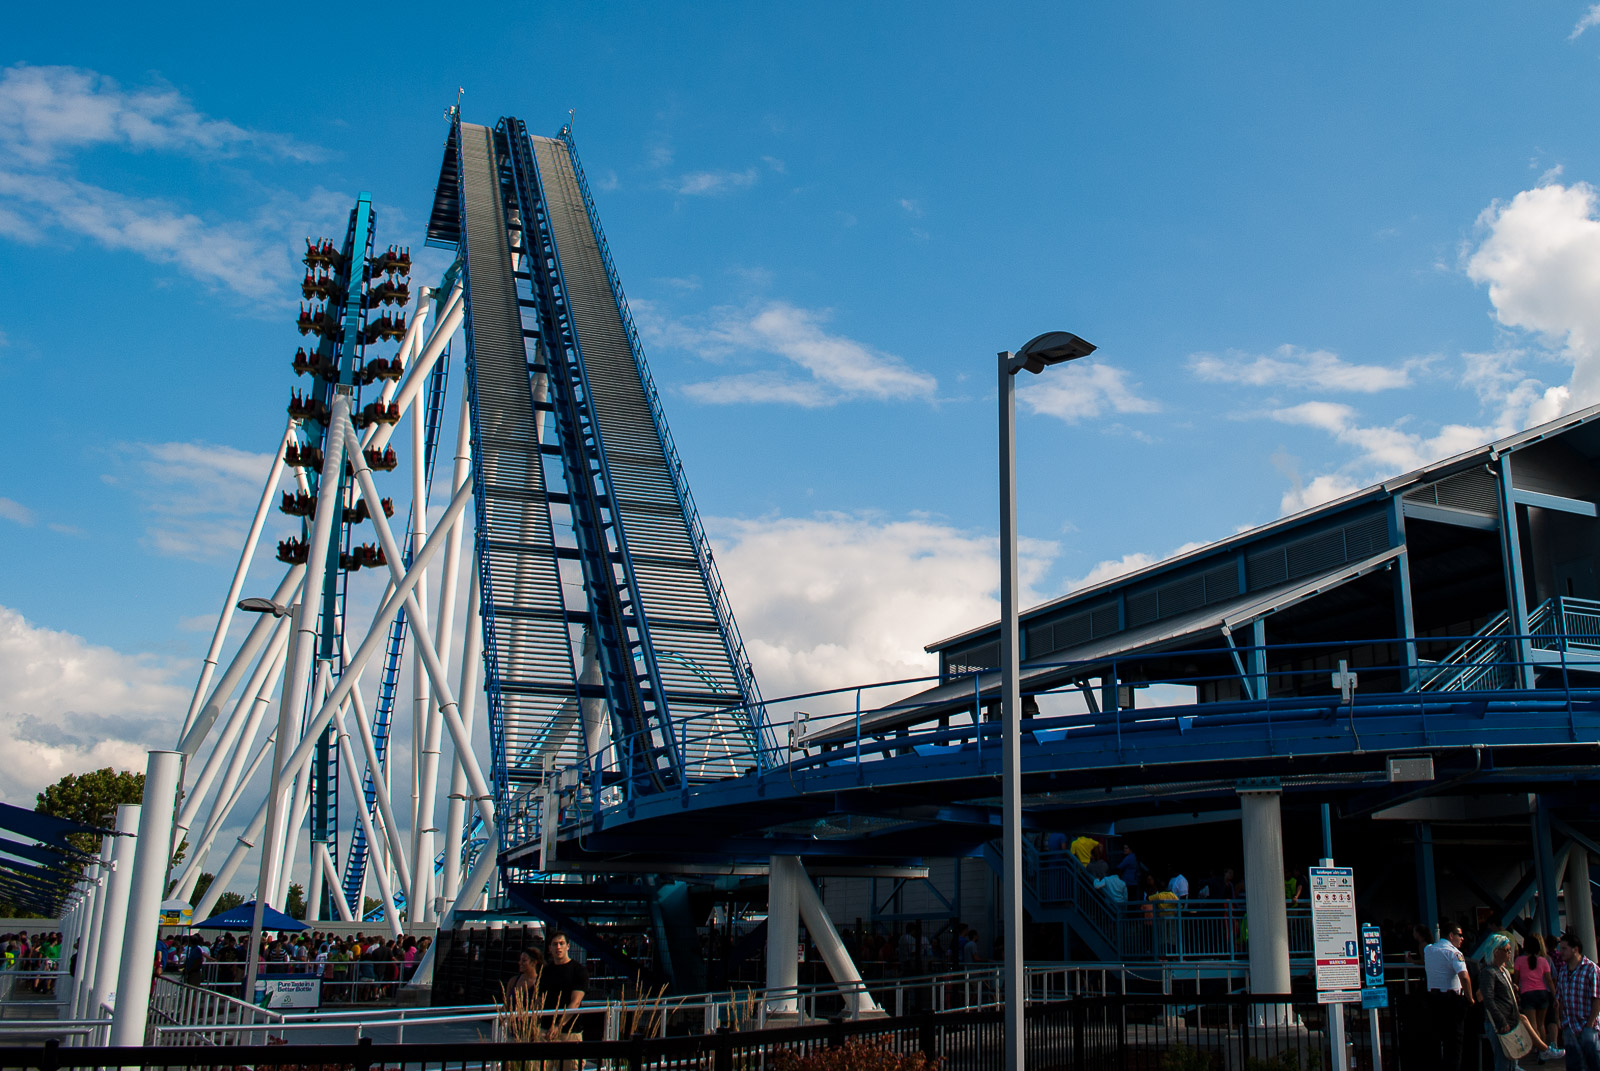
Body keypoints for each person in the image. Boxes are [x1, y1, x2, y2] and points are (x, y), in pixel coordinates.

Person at [1482, 932, 1562, 1069]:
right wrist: (1501, 1020)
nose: (1510, 953)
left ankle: (1544, 1049)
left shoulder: (1503, 971)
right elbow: (1488, 999)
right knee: (1503, 1062)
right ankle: (1544, 1049)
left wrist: (1512, 987)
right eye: (1506, 950)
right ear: (1496, 952)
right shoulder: (1489, 972)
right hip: (1499, 1023)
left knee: (1512, 1061)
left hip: (1510, 1019)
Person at [1425, 922, 1477, 1071]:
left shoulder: (1429, 950)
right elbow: (1464, 977)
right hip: (1452, 1001)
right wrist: (1469, 998)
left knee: (1436, 1039)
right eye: (1460, 935)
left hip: (1433, 1000)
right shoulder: (1454, 953)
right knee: (1454, 1043)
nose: (1462, 939)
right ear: (1451, 935)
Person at [1553, 931, 1600, 1070]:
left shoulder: (1591, 969)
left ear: (1575, 949)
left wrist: (1590, 1024)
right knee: (1574, 1065)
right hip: (1570, 1025)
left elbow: (1597, 998)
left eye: (1564, 948)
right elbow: (1560, 997)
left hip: (1587, 1025)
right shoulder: (1563, 970)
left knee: (1593, 1063)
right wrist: (1560, 1019)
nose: (1561, 952)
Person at [1519, 933, 1561, 1059]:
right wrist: (1555, 996)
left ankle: (1540, 1048)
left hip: (1527, 994)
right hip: (1543, 993)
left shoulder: (1520, 960)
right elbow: (1550, 979)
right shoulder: (1544, 960)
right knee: (1542, 1023)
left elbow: (1516, 979)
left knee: (1533, 1024)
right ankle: (1545, 1049)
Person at [538, 932, 589, 1024]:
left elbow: (575, 1002)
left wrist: (559, 1025)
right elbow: (538, 1000)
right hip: (544, 1028)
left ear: (568, 946)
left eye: (561, 943)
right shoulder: (545, 971)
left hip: (569, 1030)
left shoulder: (579, 970)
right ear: (550, 948)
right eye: (555, 944)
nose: (558, 947)